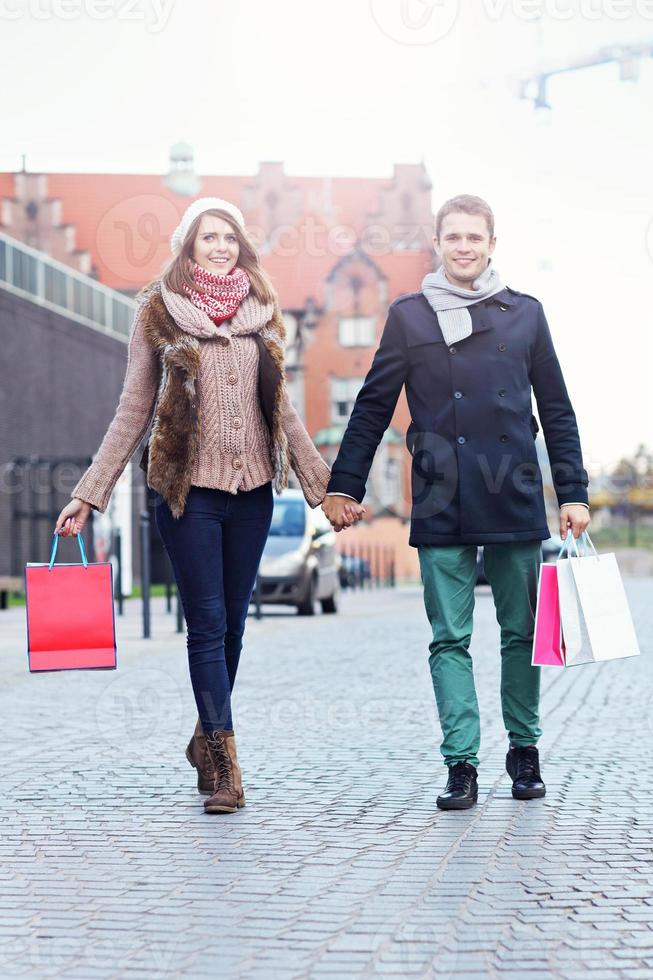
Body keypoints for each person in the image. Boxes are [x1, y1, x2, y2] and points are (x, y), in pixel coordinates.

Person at [55, 197, 361, 814]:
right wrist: (91, 490)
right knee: (209, 623)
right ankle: (225, 768)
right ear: (187, 246)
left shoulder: (265, 315)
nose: (219, 245)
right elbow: (132, 409)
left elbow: (285, 413)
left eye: (228, 236)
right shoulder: (157, 313)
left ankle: (204, 736)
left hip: (252, 494)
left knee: (236, 626)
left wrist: (326, 486)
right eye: (207, 237)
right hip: (185, 493)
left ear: (240, 244)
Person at [323, 194, 590, 811]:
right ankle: (461, 763)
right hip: (441, 496)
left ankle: (524, 749)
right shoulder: (409, 317)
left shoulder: (525, 315)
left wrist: (571, 492)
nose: (464, 247)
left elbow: (556, 409)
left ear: (492, 243)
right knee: (449, 638)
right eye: (453, 237)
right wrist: (346, 484)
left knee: (520, 634)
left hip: (514, 493)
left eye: (475, 237)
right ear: (437, 243)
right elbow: (372, 403)